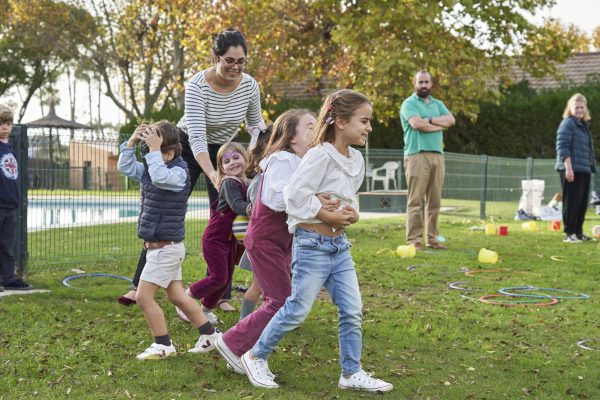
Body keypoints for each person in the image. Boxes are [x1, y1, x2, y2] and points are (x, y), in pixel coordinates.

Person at [239, 90, 394, 393]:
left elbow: (343, 198)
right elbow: (292, 195)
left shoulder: (357, 160)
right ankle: (255, 355)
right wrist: (325, 214)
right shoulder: (318, 155)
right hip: (311, 245)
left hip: (340, 248)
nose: (369, 127)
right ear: (340, 121)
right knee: (296, 309)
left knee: (352, 309)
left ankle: (351, 372)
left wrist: (350, 214)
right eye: (364, 121)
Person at [118, 29, 265, 308]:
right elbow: (197, 136)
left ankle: (219, 291)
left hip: (224, 149)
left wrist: (252, 159)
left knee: (226, 219)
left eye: (241, 61)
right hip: (188, 146)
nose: (235, 67)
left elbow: (256, 125)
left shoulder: (249, 86)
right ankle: (140, 286)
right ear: (216, 57)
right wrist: (213, 175)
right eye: (229, 60)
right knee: (162, 208)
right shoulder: (198, 85)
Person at [214, 109, 320, 375]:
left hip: (281, 242)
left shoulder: (301, 161)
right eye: (309, 126)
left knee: (283, 299)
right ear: (291, 137)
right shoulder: (282, 160)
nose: (315, 130)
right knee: (279, 300)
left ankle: (247, 348)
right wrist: (312, 202)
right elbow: (275, 199)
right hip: (265, 240)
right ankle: (231, 342)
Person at [117, 121, 220, 360]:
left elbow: (161, 177)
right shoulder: (153, 169)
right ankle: (210, 335)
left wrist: (154, 151)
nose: (149, 156)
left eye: (155, 150)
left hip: (167, 249)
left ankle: (163, 345)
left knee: (143, 297)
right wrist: (132, 142)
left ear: (170, 152)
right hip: (160, 249)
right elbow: (126, 166)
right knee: (177, 296)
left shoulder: (178, 173)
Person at [176, 142, 250, 328]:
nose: (232, 163)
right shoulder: (229, 183)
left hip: (229, 240)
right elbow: (238, 206)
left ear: (245, 158)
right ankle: (185, 298)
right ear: (221, 168)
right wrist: (258, 209)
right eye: (226, 161)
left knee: (225, 280)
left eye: (236, 157)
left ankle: (204, 311)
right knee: (218, 277)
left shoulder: (245, 181)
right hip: (215, 238)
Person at [400, 70, 455, 250]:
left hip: (437, 156)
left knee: (435, 201)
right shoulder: (408, 103)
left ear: (431, 84)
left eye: (426, 82)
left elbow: (450, 120)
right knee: (415, 200)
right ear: (414, 83)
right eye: (420, 82)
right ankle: (414, 240)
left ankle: (433, 239)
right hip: (416, 154)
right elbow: (416, 124)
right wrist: (438, 126)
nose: (423, 85)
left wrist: (429, 120)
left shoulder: (437, 104)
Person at [237, 125, 273, 321]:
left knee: (272, 284)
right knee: (258, 285)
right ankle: (245, 321)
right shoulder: (261, 180)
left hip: (275, 240)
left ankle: (274, 318)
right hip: (265, 240)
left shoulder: (269, 176)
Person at [555, 93, 597, 243]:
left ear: (585, 109)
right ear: (570, 108)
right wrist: (568, 168)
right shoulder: (568, 124)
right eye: (576, 107)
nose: (579, 110)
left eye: (582, 107)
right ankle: (569, 234)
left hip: (583, 169)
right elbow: (562, 147)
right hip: (571, 169)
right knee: (571, 202)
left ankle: (578, 233)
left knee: (581, 203)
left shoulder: (583, 125)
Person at [0, 105, 32, 291]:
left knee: (7, 244)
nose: (5, 127)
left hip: (10, 205)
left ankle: (8, 278)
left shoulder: (9, 149)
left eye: (8, 123)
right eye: (1, 124)